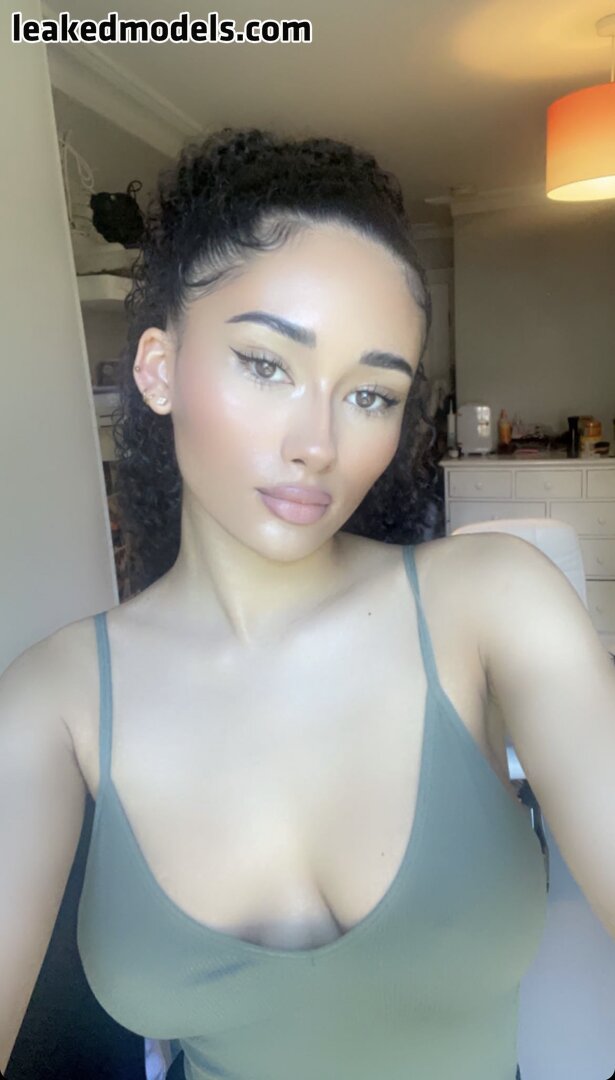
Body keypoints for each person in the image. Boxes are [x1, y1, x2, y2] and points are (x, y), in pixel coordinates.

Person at [2, 126, 614, 1080]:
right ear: (158, 370)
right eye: (266, 364)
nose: (318, 444)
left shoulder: (494, 602)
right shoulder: (54, 699)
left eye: (370, 394)